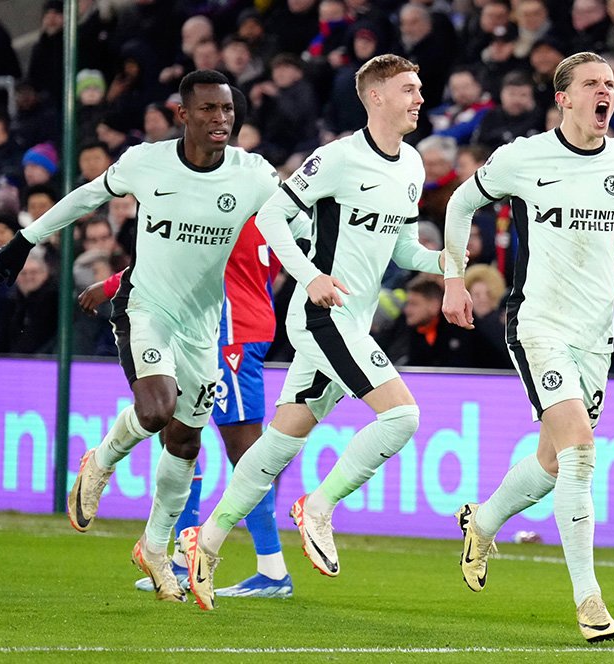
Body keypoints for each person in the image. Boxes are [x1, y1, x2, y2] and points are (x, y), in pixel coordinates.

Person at [0, 70, 280, 604]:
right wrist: (28, 239)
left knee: (185, 441)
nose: (221, 120)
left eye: (228, 111)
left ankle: (154, 545)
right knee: (155, 410)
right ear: (183, 116)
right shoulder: (146, 162)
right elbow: (86, 197)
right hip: (145, 306)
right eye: (209, 110)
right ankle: (99, 461)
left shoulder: (253, 174)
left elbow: (293, 223)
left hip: (202, 325)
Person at [178, 54, 445, 612]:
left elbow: (396, 247)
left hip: (350, 319)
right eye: (408, 89)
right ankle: (318, 507)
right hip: (321, 317)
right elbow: (274, 215)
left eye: (420, 89)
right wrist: (311, 275)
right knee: (402, 416)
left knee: (276, 443)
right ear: (374, 97)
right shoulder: (338, 159)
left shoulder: (414, 166)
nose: (419, 98)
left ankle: (205, 544)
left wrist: (443, 261)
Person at [441, 51, 614, 643]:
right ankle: (589, 600)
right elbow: (458, 202)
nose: (606, 93)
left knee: (554, 464)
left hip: (595, 335)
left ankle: (485, 519)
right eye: (593, 85)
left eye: (611, 85)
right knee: (579, 450)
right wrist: (453, 276)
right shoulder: (524, 158)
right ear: (565, 98)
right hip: (537, 325)